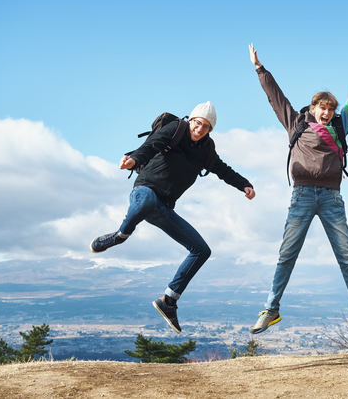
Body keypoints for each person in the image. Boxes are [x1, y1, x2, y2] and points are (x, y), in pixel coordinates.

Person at [248, 43, 348, 335]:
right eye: (323, 107)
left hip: (332, 197)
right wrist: (260, 69)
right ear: (313, 108)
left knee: (345, 256)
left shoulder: (340, 125)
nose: (327, 112)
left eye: (331, 109)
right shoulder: (296, 123)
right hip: (302, 195)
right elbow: (276, 98)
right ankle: (271, 310)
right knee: (287, 255)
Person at [89, 102, 256, 333]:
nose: (200, 129)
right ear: (191, 120)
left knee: (201, 250)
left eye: (206, 127)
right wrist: (134, 160)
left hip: (164, 207)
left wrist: (244, 185)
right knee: (147, 200)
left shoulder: (207, 150)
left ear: (210, 130)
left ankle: (169, 301)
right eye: (198, 123)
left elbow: (223, 170)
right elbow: (150, 146)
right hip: (144, 192)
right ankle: (120, 235)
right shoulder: (175, 129)